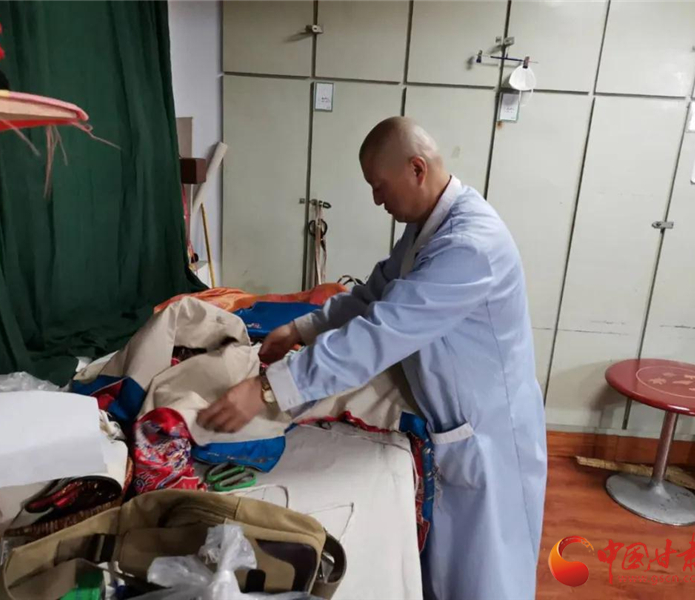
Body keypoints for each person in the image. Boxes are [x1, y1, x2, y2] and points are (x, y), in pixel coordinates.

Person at [198, 117, 547, 600]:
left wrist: (267, 389)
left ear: (417, 169)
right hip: (456, 419)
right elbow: (374, 294)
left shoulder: (468, 247)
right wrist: (301, 328)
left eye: (379, 186)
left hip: (488, 434)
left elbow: (381, 332)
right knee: (452, 568)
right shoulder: (426, 229)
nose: (377, 200)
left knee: (487, 574)